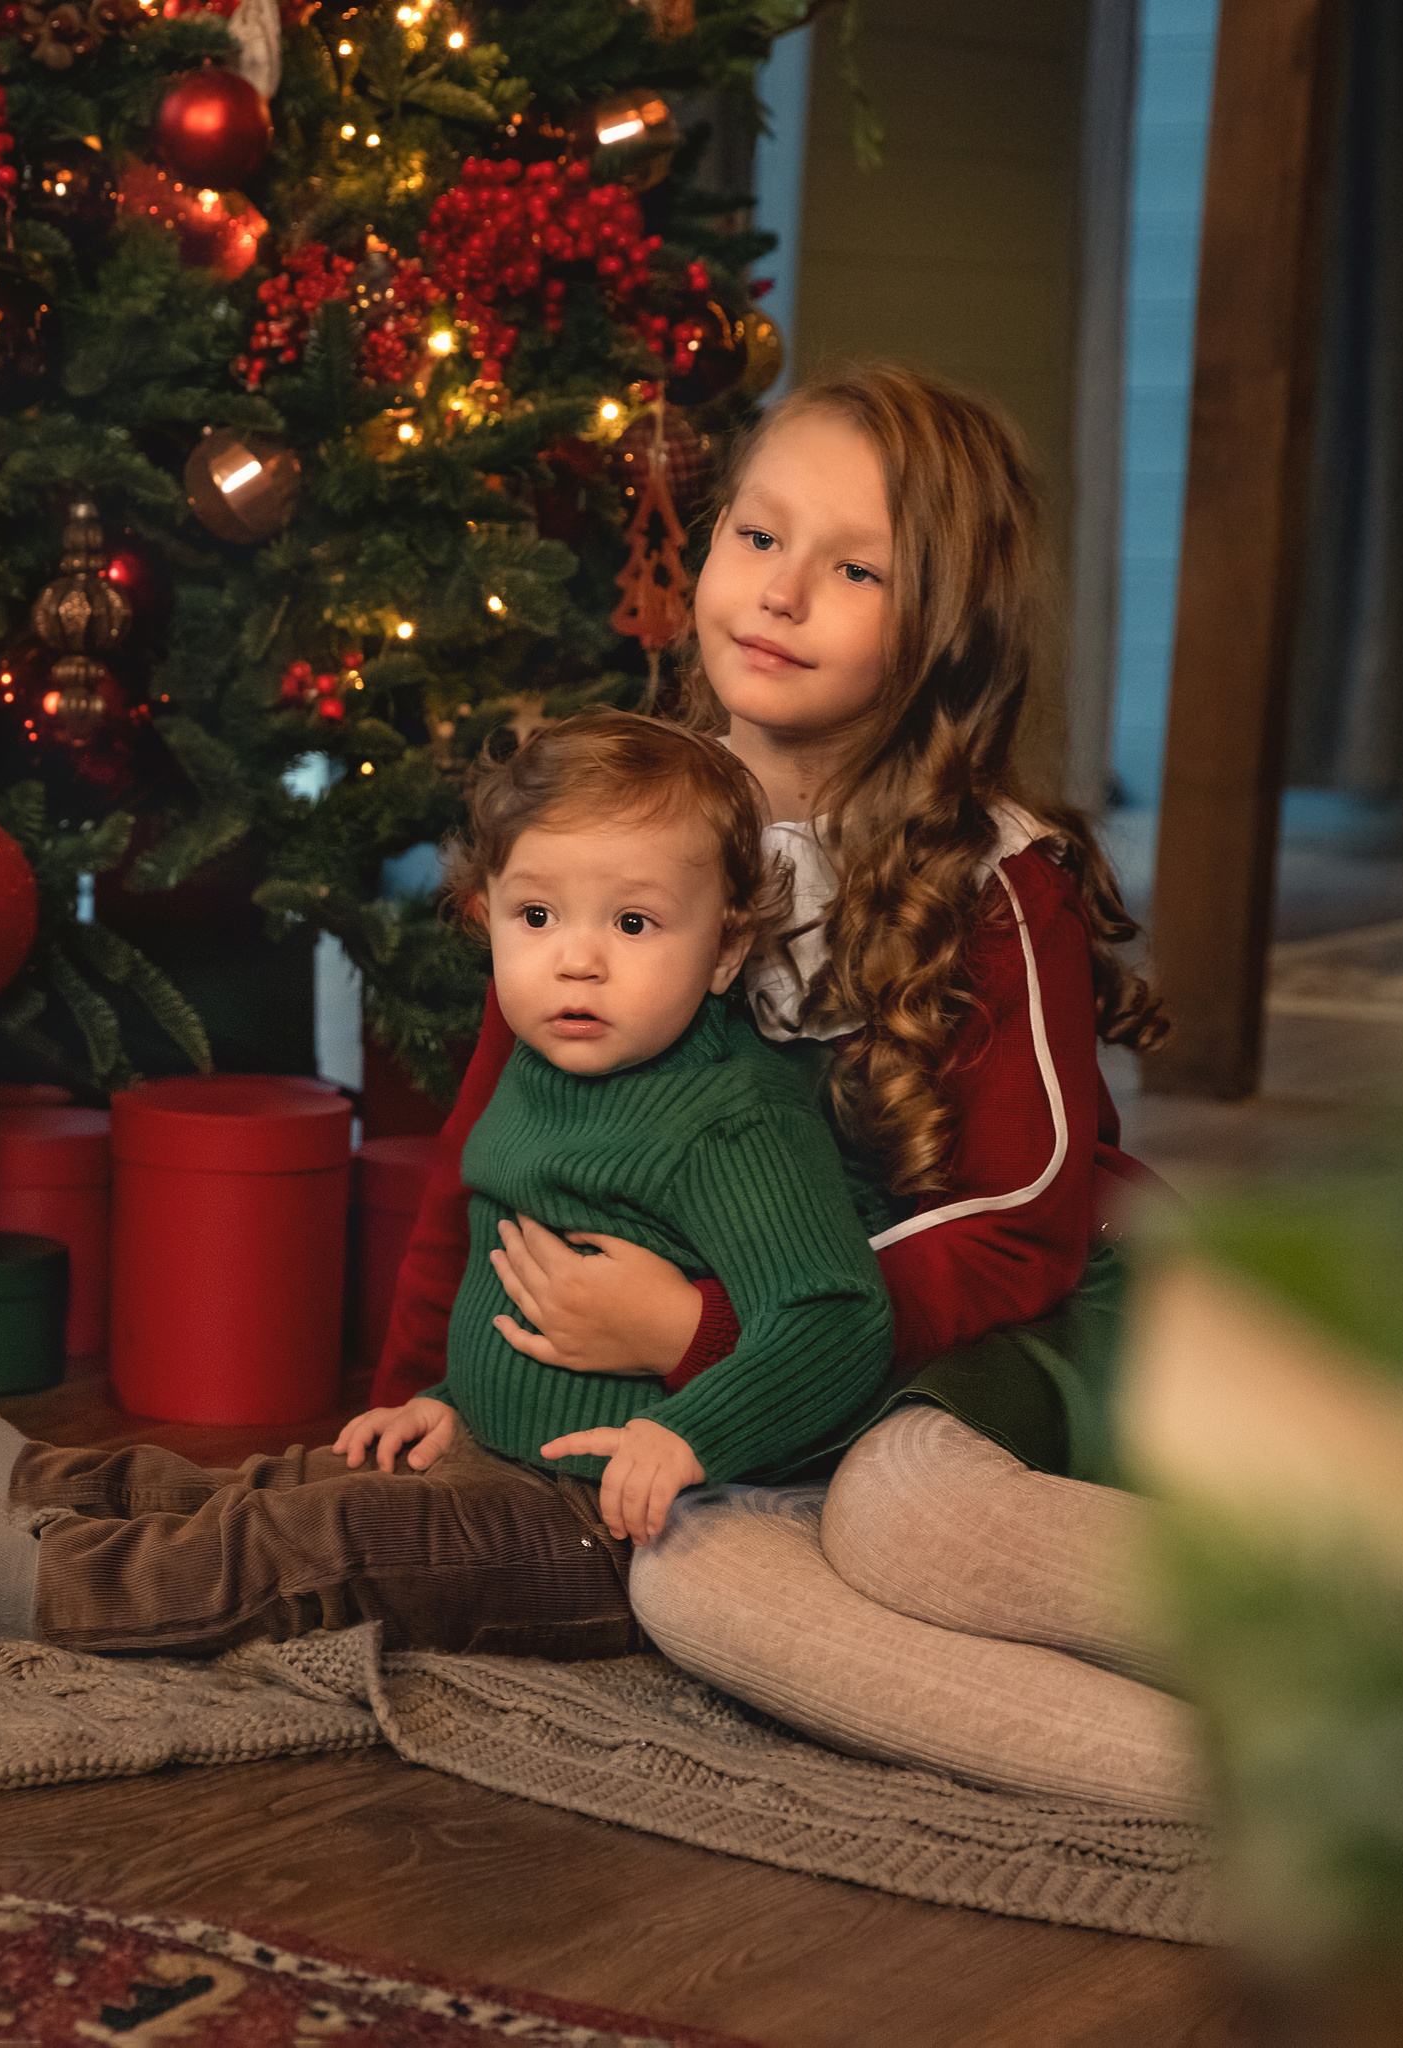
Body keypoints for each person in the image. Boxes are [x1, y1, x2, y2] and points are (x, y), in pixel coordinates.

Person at [372, 364, 1201, 1814]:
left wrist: (705, 1330)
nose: (781, 591)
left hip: (1000, 1337)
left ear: (944, 624)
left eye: (855, 566)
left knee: (910, 1522)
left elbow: (1023, 1226)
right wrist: (420, 1396)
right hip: (748, 1395)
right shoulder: (624, 835)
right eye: (757, 538)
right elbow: (486, 1152)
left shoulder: (998, 881)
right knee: (686, 1588)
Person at [0, 711, 892, 1661]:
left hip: (597, 1525)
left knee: (316, 1537)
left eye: (633, 923)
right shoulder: (544, 1068)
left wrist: (690, 1433)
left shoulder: (731, 1118)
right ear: (487, 914)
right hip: (495, 1455)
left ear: (722, 950)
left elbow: (836, 1321)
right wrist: (449, 1401)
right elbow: (514, 1288)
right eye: (537, 914)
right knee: (284, 1478)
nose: (576, 960)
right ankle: (40, 1481)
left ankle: (60, 1591)